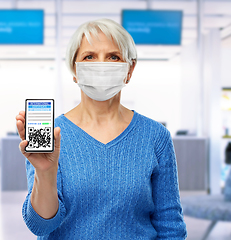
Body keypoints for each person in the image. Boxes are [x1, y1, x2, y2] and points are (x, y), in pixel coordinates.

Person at [15, 18, 187, 239]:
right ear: (74, 69)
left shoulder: (155, 136)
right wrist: (45, 172)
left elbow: (169, 223)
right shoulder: (53, 133)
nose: (102, 65)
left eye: (113, 57)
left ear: (129, 69)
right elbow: (40, 227)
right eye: (89, 57)